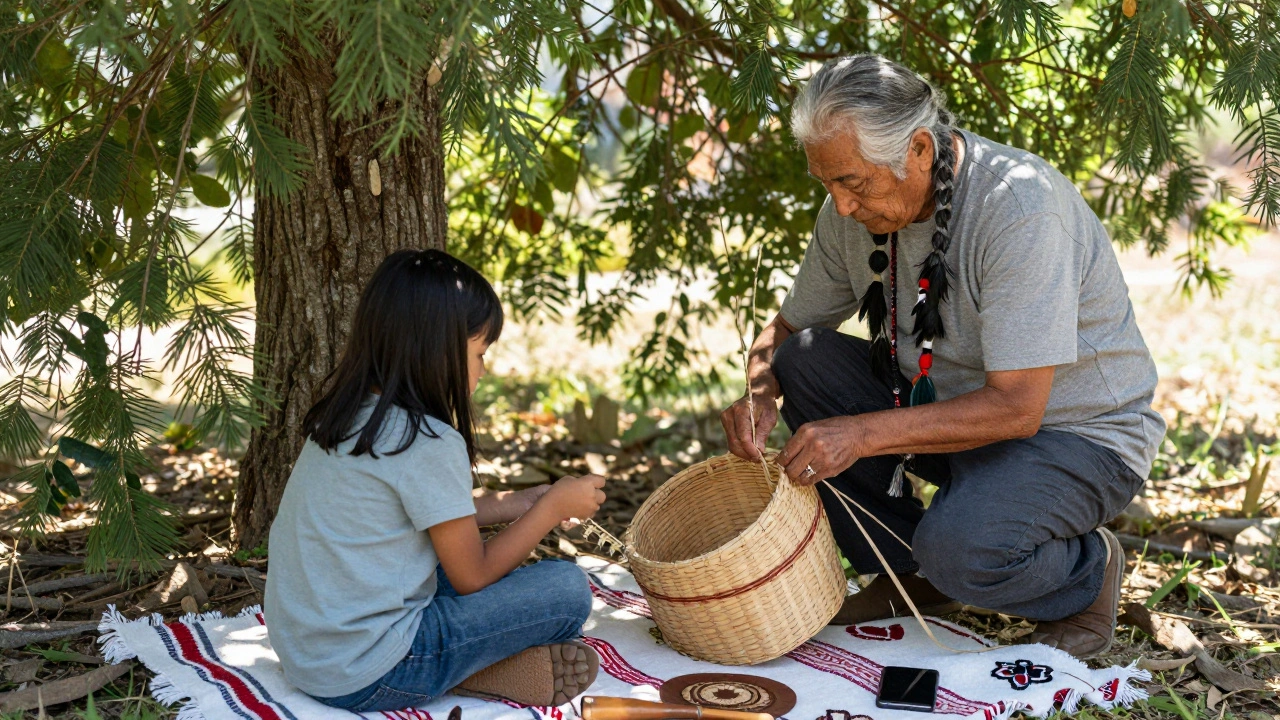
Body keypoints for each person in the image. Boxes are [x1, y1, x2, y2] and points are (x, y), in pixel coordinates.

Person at [720, 55, 1165, 659]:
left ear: (921, 150)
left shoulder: (1020, 209)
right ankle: (908, 573)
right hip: (946, 415)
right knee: (803, 359)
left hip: (1075, 436)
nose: (841, 206)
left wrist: (859, 434)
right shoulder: (847, 210)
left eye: (852, 182)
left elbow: (1017, 409)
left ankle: (1084, 575)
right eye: (826, 182)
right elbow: (787, 331)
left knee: (961, 551)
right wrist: (759, 393)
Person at [265, 249, 606, 713]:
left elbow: (428, 513)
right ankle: (473, 670)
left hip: (310, 656)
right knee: (566, 591)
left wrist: (521, 502)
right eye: (479, 353)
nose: (483, 369)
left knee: (441, 558)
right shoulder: (427, 440)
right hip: (374, 671)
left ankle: (481, 667)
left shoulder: (347, 418)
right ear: (437, 350)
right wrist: (550, 511)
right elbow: (473, 577)